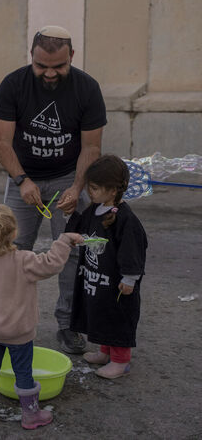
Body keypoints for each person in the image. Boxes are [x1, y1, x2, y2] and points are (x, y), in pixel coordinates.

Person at [0, 25, 107, 355]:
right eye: (42, 66)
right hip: (22, 176)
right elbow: (1, 143)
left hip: (67, 178)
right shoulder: (13, 85)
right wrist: (22, 181)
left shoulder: (87, 89)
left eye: (58, 66)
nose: (50, 73)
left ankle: (68, 325)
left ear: (71, 56)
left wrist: (76, 187)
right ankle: (5, 323)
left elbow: (91, 148)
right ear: (32, 56)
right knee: (11, 251)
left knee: (72, 253)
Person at [0, 201, 83, 429]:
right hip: (20, 333)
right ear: (14, 232)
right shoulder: (24, 261)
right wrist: (64, 240)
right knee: (23, 373)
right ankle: (30, 415)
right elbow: (51, 264)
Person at [66, 155, 148, 379]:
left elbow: (133, 251)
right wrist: (70, 217)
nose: (89, 192)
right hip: (97, 277)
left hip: (117, 282)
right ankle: (105, 351)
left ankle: (120, 361)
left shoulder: (126, 219)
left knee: (117, 316)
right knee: (100, 312)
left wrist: (130, 278)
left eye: (93, 188)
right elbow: (80, 230)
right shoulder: (95, 209)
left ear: (113, 190)